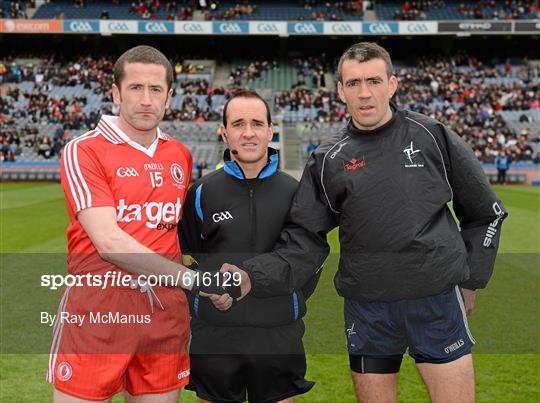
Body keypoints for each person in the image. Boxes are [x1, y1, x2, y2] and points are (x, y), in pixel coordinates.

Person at [222, 42, 507, 402]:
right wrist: (253, 275)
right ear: (340, 90)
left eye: (373, 80)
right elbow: (304, 240)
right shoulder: (328, 159)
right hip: (368, 309)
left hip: (435, 301)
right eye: (354, 83)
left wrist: (472, 281)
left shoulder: (432, 136)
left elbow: (486, 212)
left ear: (392, 84)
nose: (365, 93)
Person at [50, 45, 236, 403]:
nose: (146, 99)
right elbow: (108, 241)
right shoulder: (84, 150)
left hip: (164, 314)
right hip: (98, 313)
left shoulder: (179, 154)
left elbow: (179, 234)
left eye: (155, 90)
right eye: (136, 88)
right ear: (117, 93)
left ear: (169, 96)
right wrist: (197, 282)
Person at [178, 89, 316, 403]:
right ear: (224, 132)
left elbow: (308, 261)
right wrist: (206, 292)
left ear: (271, 130)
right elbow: (183, 260)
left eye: (257, 123)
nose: (249, 132)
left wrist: (285, 301)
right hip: (215, 335)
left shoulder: (295, 193)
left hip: (278, 333)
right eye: (238, 124)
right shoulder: (200, 193)